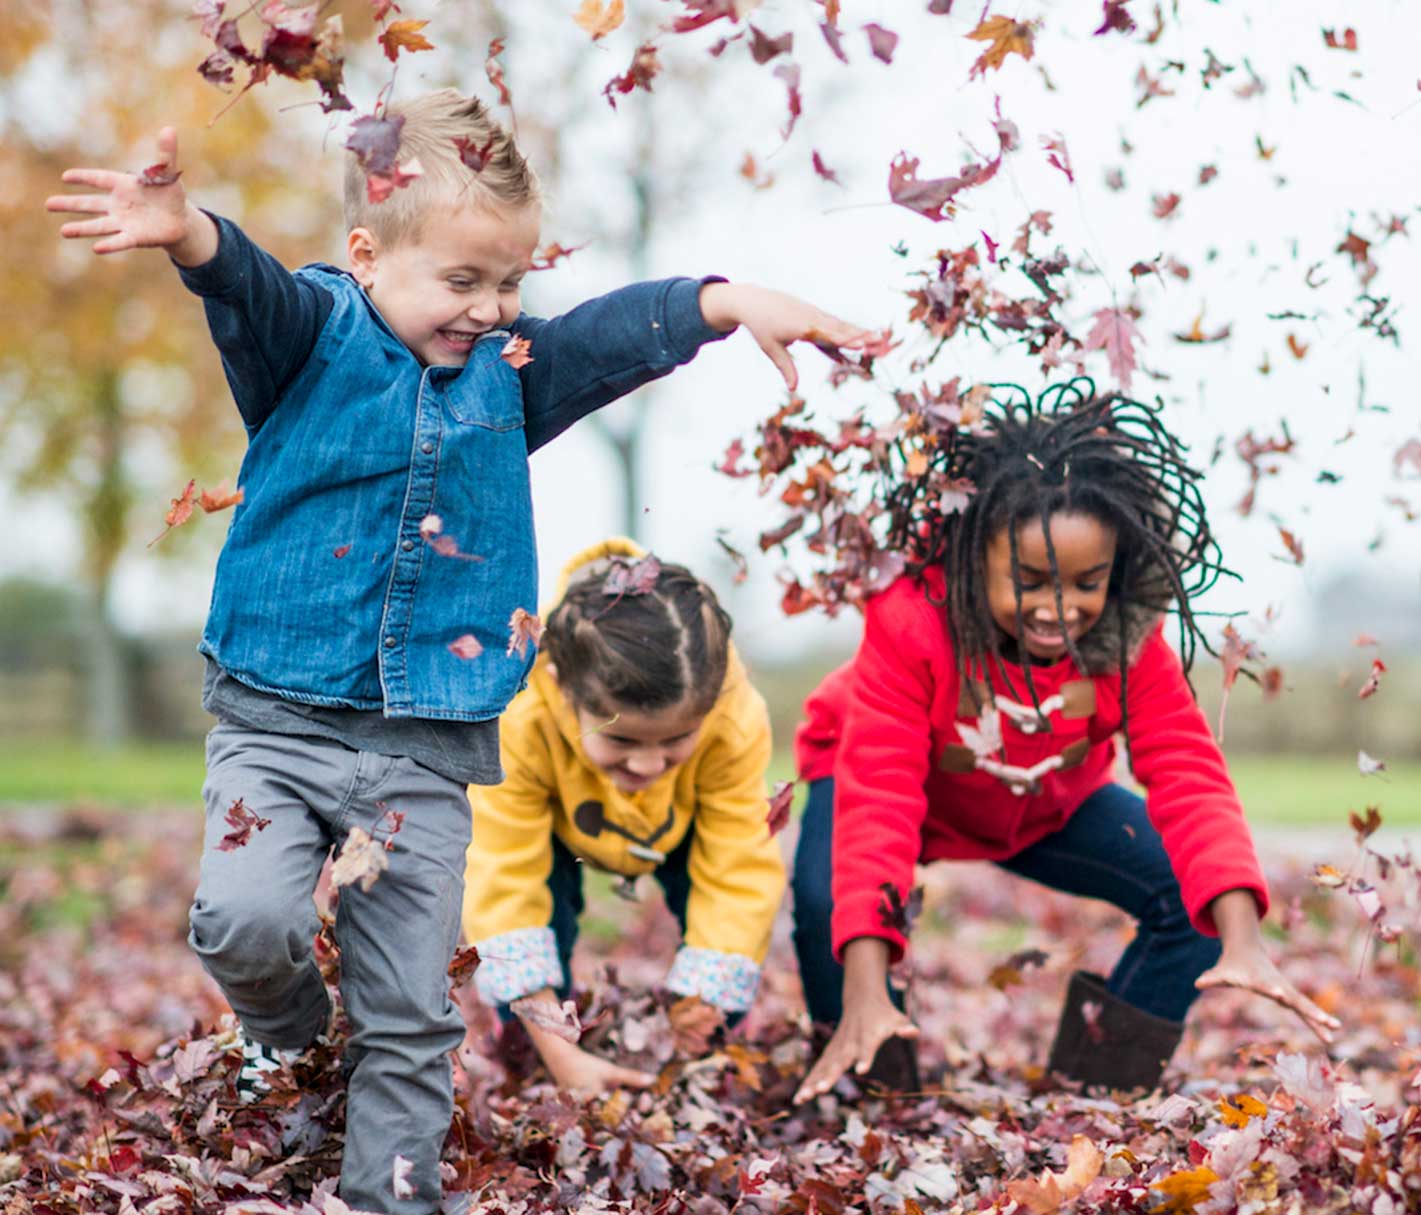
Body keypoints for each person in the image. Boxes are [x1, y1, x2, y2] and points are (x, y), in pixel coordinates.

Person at [47, 89, 866, 1214]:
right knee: (247, 920)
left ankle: (396, 1195)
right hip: (278, 722)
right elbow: (248, 288)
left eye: (510, 283)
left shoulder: (513, 374)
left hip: (426, 749)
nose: (491, 309)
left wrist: (725, 302)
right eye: (464, 281)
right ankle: (285, 1034)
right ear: (369, 254)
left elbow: (613, 335)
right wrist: (191, 232)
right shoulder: (311, 341)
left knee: (410, 1012)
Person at [789, 379, 1338, 1103]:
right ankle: (867, 1076)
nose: (1059, 608)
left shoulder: (1129, 639)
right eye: (1030, 580)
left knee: (1195, 894)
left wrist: (1239, 932)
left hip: (1043, 800)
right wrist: (865, 986)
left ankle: (1094, 1093)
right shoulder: (911, 620)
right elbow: (880, 797)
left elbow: (1188, 773)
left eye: (1086, 582)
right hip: (896, 782)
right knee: (828, 896)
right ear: (973, 560)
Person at [464, 539, 785, 1093]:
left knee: (719, 988)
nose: (647, 762)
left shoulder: (734, 716)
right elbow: (503, 882)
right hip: (562, 827)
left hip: (685, 823)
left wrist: (701, 1001)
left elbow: (738, 868)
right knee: (536, 991)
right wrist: (563, 1058)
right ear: (564, 689)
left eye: (677, 738)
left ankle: (711, 1033)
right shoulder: (521, 717)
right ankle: (541, 1054)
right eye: (623, 738)